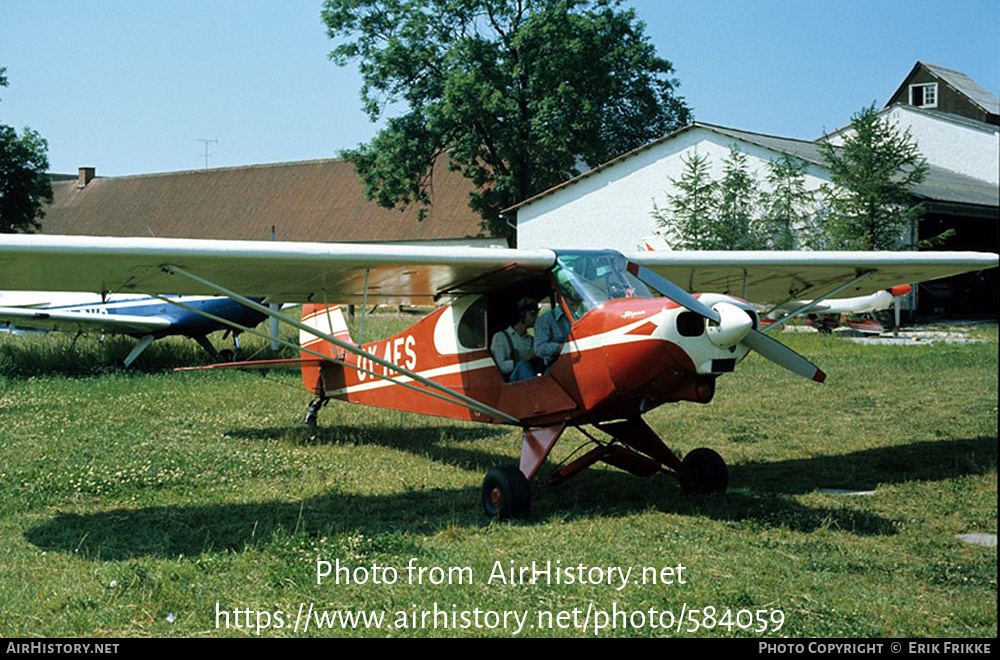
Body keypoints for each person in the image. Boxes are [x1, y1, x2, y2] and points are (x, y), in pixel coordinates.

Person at [490, 297, 539, 382]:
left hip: (529, 379)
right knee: (522, 366)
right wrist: (526, 358)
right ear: (522, 314)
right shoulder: (500, 337)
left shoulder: (531, 340)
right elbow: (500, 367)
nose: (536, 318)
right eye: (532, 314)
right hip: (511, 384)